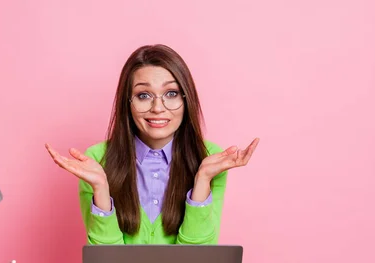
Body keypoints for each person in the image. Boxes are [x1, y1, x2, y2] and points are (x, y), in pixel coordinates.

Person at [46, 44, 259, 245]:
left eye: (171, 94)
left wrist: (202, 180)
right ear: (127, 102)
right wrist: (101, 187)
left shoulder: (209, 157)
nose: (158, 108)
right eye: (144, 95)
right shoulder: (96, 158)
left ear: (186, 100)